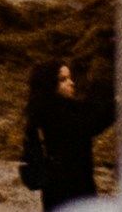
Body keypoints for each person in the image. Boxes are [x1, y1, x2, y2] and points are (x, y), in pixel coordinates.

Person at [19, 58, 116, 207]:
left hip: (70, 185)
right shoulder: (52, 112)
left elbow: (90, 114)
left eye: (69, 78)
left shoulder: (64, 108)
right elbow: (90, 125)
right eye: (63, 80)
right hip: (65, 187)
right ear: (50, 84)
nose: (71, 83)